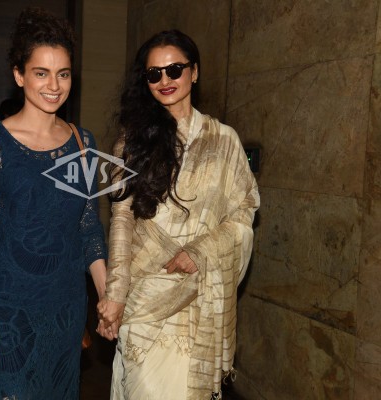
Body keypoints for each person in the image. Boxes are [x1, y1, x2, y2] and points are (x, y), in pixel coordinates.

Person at [96, 30, 260, 399]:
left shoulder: (225, 140)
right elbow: (122, 222)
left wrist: (201, 251)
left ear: (194, 72)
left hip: (197, 298)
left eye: (174, 70)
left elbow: (244, 211)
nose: (165, 80)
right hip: (145, 298)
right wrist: (115, 294)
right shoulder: (131, 141)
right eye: (154, 74)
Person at [0, 7, 107, 400]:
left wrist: (106, 293)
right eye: (41, 73)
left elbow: (88, 228)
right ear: (19, 75)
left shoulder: (83, 143)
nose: (54, 86)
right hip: (8, 308)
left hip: (65, 308)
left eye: (64, 74)